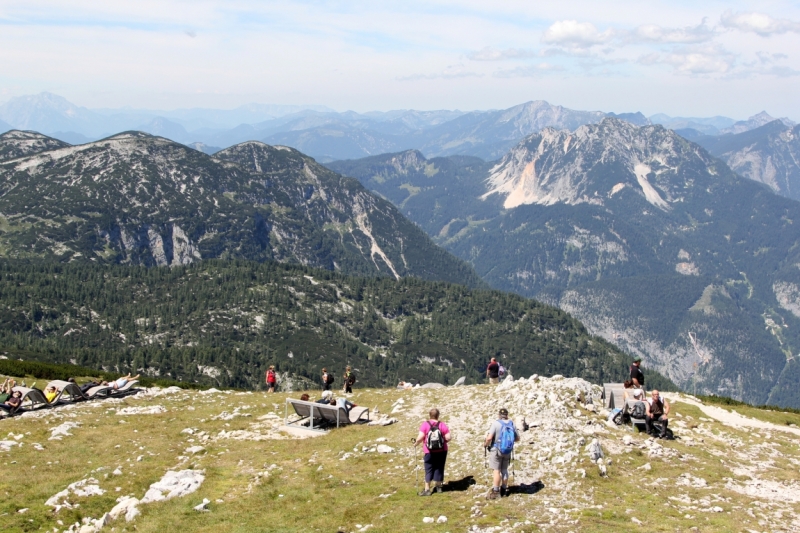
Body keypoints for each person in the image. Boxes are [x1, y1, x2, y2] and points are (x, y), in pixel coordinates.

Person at [484, 407, 520, 499]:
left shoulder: (496, 423)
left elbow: (489, 438)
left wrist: (485, 444)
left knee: (496, 470)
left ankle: (496, 491)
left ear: (499, 415)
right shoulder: (512, 424)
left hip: (496, 449)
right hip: (507, 450)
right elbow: (517, 438)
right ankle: (504, 489)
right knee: (504, 470)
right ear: (507, 415)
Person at [414, 408, 452, 496]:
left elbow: (420, 437)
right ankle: (439, 487)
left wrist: (416, 443)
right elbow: (448, 437)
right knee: (439, 467)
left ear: (429, 415)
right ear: (438, 415)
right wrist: (443, 442)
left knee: (429, 468)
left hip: (429, 451)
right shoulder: (442, 424)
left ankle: (427, 489)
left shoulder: (425, 425)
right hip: (442, 450)